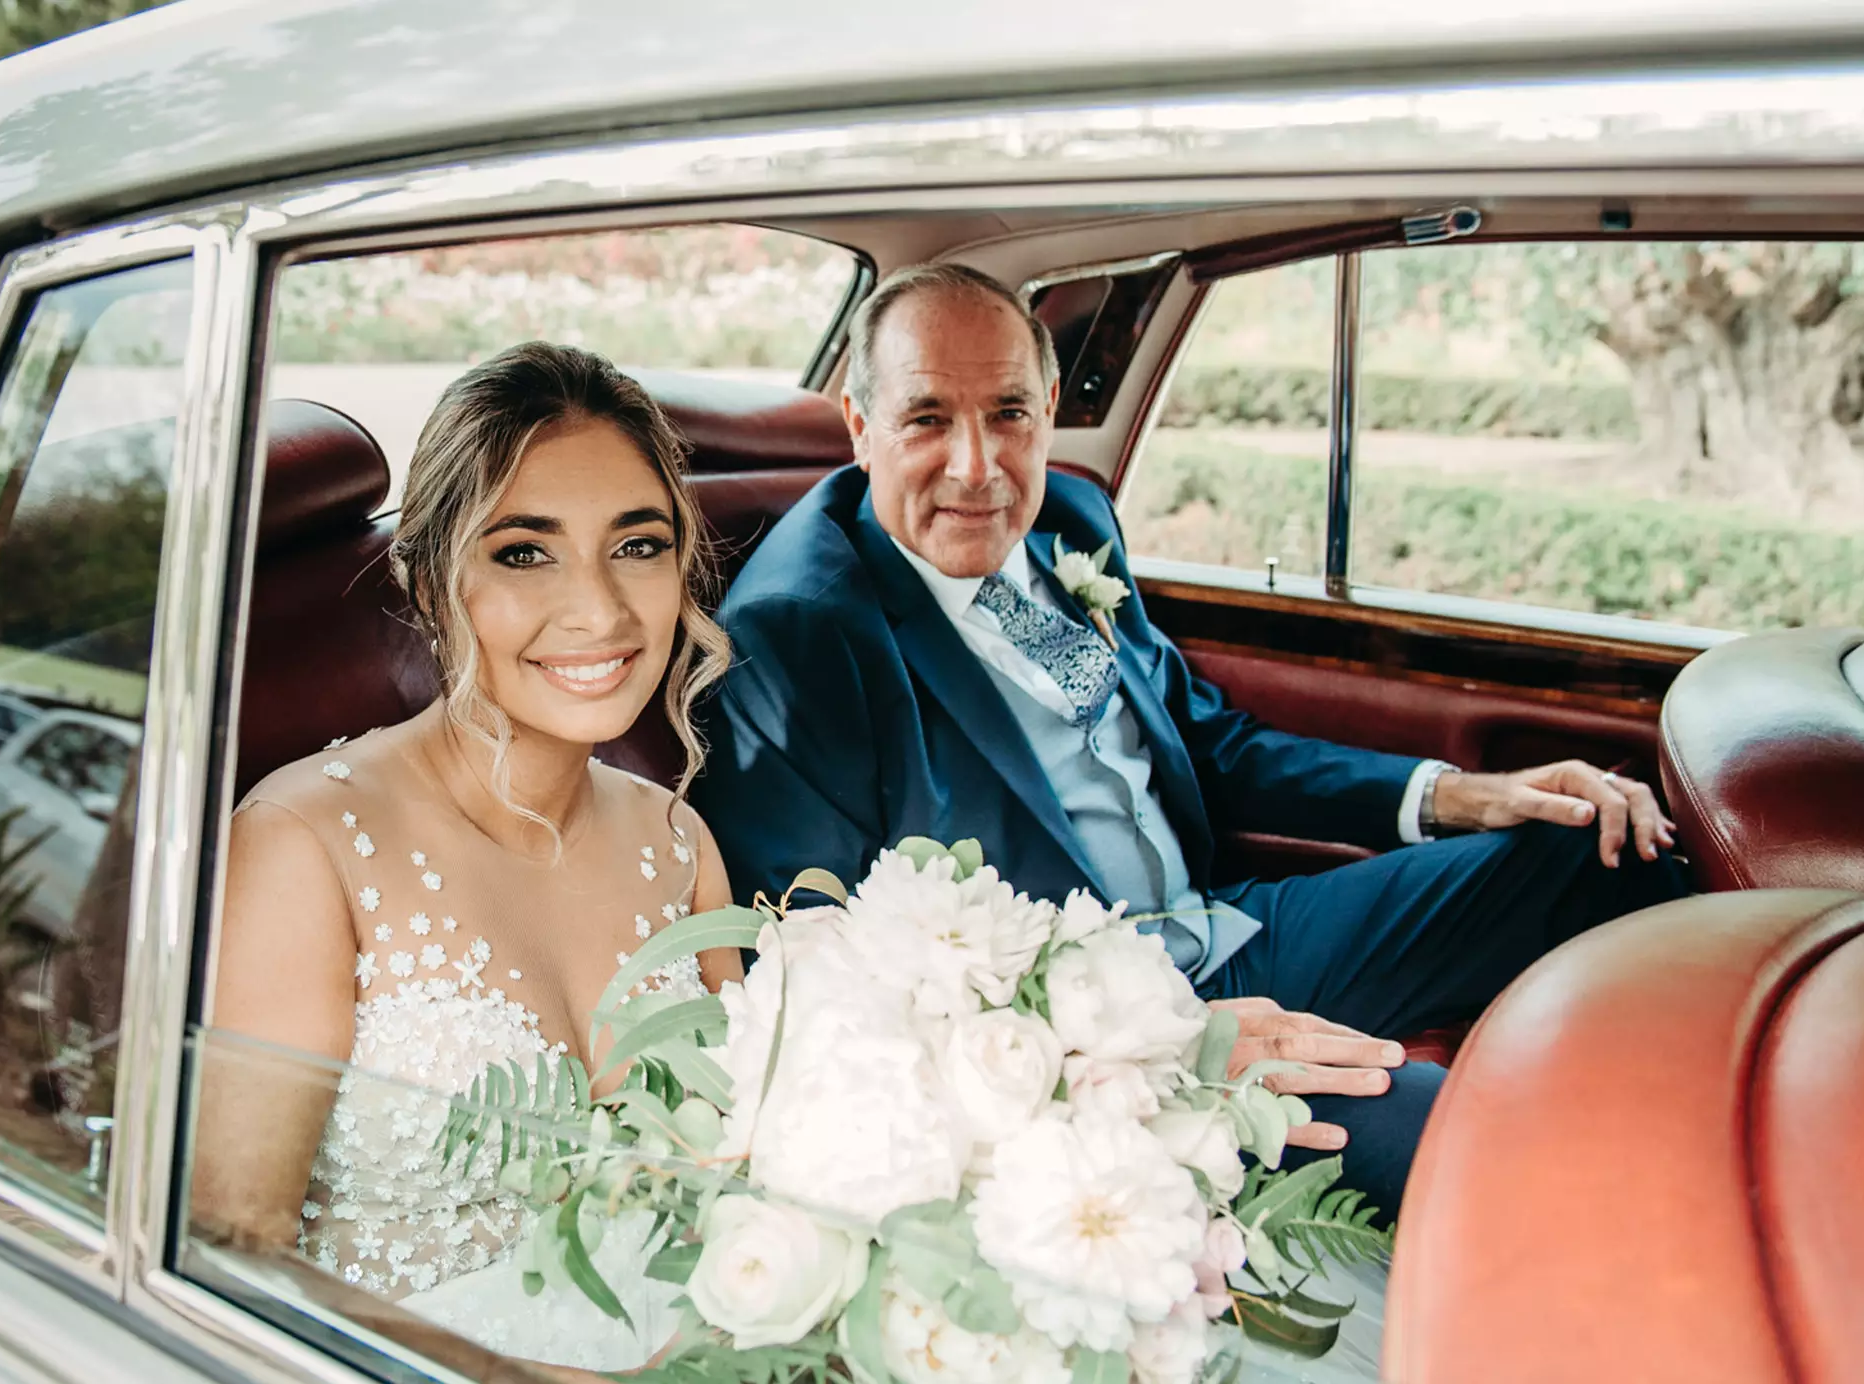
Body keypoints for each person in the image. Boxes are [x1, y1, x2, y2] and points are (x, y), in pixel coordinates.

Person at [698, 263, 1690, 1219]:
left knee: (1599, 846)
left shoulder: (1068, 521)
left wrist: (1459, 794)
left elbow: (1207, 743)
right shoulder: (800, 636)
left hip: (1222, 925)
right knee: (1477, 1138)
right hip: (1097, 1041)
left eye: (1007, 413)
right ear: (861, 426)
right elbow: (822, 976)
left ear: (1048, 407)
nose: (977, 466)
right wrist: (1161, 1045)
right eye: (927, 419)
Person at [190, 342, 743, 1373]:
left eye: (638, 545)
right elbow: (232, 1254)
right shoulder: (305, 847)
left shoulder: (679, 844)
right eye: (525, 551)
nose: (601, 611)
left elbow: (747, 1182)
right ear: (428, 579)